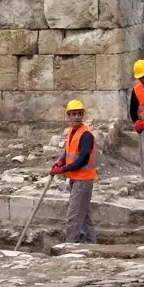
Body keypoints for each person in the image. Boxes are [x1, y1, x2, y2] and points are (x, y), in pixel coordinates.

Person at [50, 99, 97, 244]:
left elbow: (83, 159)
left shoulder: (86, 135)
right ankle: (91, 244)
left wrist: (62, 169)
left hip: (83, 180)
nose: (76, 117)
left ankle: (70, 246)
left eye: (79, 114)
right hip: (75, 179)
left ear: (83, 115)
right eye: (73, 114)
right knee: (84, 215)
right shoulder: (71, 132)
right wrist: (60, 161)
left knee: (73, 217)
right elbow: (69, 150)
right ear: (68, 116)